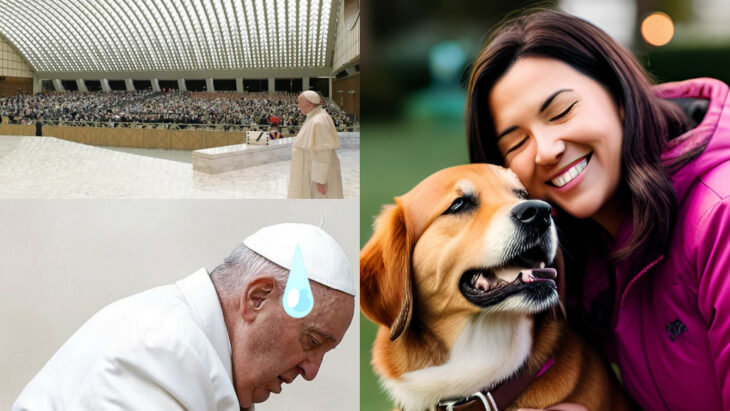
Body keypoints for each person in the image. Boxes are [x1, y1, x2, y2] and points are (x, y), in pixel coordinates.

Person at [465, 9, 730, 410]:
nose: (547, 150)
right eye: (517, 142)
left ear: (619, 96)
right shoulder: (589, 251)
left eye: (561, 111)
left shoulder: (719, 218)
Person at [12, 223, 355, 410]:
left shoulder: (183, 340)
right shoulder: (159, 353)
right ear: (257, 297)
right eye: (311, 342)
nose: (311, 372)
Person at [287, 90, 344, 199]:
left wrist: (320, 181)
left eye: (299, 101)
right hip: (310, 171)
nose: (297, 104)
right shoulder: (314, 116)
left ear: (308, 104)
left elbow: (323, 152)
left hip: (316, 177)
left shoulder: (318, 121)